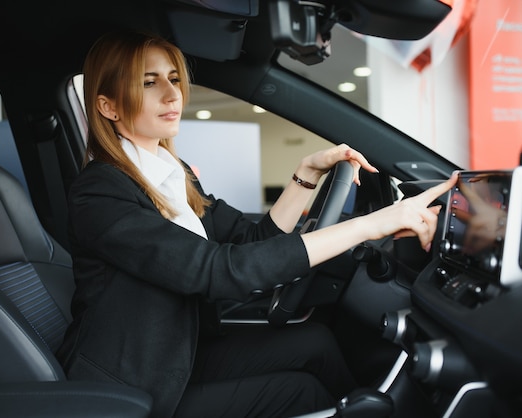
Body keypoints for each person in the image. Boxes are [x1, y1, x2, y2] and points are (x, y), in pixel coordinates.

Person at [56, 30, 457, 418]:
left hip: (182, 354)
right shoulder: (100, 193)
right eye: (149, 82)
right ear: (108, 107)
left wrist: (307, 173)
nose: (171, 93)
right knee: (300, 392)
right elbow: (220, 270)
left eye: (174, 78)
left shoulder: (171, 173)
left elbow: (252, 239)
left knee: (315, 341)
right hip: (136, 384)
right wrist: (371, 225)